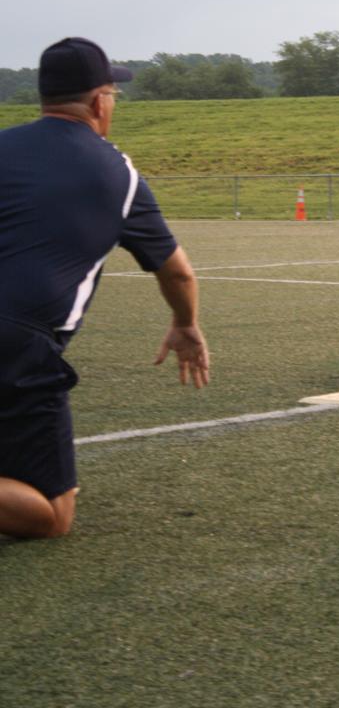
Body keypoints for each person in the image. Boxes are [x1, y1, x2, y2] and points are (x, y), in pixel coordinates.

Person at [0, 37, 210, 540]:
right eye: (113, 94)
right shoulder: (119, 174)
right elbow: (178, 272)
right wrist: (185, 324)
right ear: (98, 102)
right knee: (52, 516)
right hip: (19, 346)